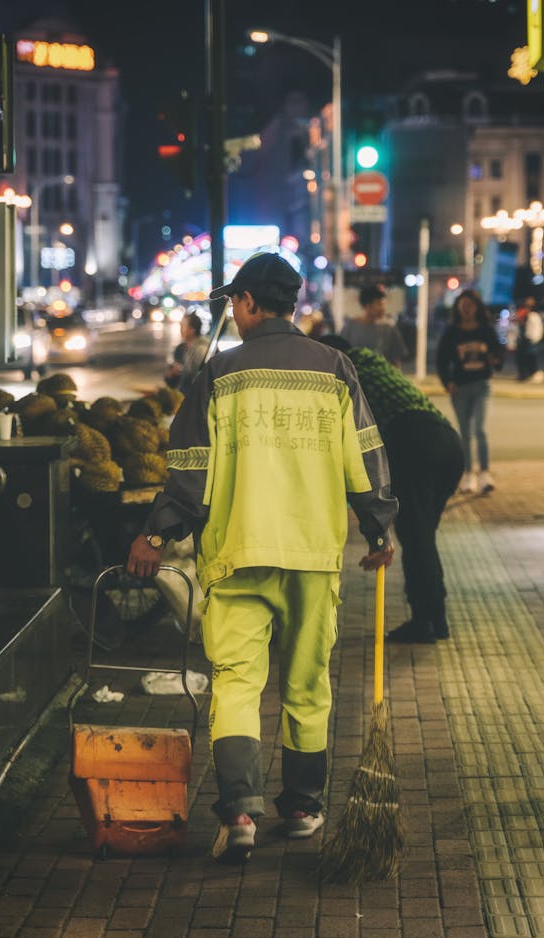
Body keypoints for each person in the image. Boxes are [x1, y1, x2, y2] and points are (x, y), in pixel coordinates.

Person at [127, 252, 397, 864]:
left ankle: (240, 813)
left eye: (234, 304)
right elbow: (366, 456)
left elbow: (189, 473)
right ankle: (303, 807)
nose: (234, 314)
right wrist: (379, 530)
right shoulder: (334, 369)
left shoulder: (221, 374)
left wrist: (156, 535)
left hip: (238, 553)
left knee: (237, 685)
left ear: (249, 303)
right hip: (311, 555)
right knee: (307, 685)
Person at [321, 335, 464, 644]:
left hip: (414, 442)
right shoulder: (371, 360)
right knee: (421, 537)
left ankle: (426, 621)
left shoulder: (342, 372)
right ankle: (435, 618)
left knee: (416, 537)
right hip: (448, 443)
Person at [436, 289, 503, 495]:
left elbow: (498, 353)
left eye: (470, 305)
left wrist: (496, 362)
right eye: (463, 305)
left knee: (480, 430)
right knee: (464, 432)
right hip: (460, 386)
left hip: (482, 384)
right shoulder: (452, 332)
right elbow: (441, 359)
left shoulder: (486, 330)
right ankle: (467, 474)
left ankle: (484, 473)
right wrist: (447, 382)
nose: (466, 309)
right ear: (458, 308)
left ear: (477, 308)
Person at [340, 284, 409, 367]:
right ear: (367, 305)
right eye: (379, 304)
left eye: (384, 304)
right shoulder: (351, 326)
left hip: (381, 375)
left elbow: (396, 360)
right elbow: (341, 355)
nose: (383, 309)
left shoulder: (388, 327)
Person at [164, 310, 210, 393]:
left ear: (193, 329)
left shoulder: (201, 350)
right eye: (180, 325)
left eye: (183, 325)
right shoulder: (180, 348)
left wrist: (182, 371)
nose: (180, 328)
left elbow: (201, 376)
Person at [514, 296, 544, 383]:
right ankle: (524, 375)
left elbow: (537, 328)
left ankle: (532, 374)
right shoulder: (523, 312)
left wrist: (536, 338)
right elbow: (517, 323)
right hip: (523, 339)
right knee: (523, 357)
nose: (529, 303)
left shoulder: (534, 315)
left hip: (530, 339)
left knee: (531, 357)